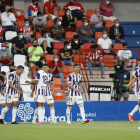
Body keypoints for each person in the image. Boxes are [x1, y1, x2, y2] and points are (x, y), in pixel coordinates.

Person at [127, 60, 140, 129]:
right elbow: (133, 77)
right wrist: (130, 85)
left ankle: (131, 114)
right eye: (138, 63)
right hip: (138, 89)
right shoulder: (137, 69)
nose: (139, 64)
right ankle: (131, 114)